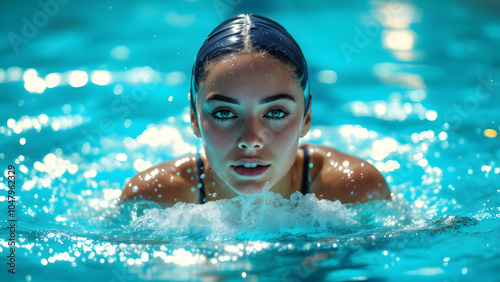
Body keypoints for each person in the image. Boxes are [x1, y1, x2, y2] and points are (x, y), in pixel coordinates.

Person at [119, 14, 391, 206]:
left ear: (306, 118)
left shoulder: (352, 191)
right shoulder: (154, 199)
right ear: (194, 119)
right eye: (224, 113)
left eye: (275, 113)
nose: (250, 140)